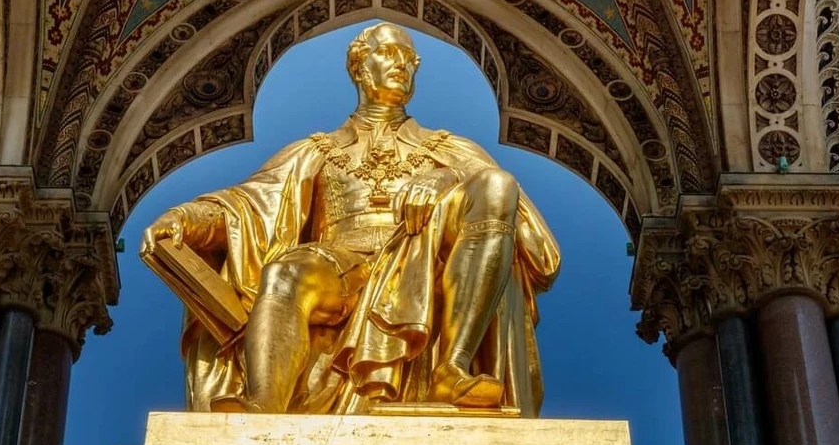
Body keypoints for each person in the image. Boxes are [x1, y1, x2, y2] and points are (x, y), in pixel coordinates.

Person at [141, 22, 560, 415]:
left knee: (494, 184)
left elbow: (535, 245)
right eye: (390, 53)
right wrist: (184, 217)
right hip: (339, 263)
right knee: (285, 273)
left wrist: (449, 178)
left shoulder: (449, 149)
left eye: (410, 60)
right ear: (359, 66)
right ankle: (262, 406)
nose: (402, 64)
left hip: (425, 263)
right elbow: (247, 205)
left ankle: (452, 367)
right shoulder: (317, 150)